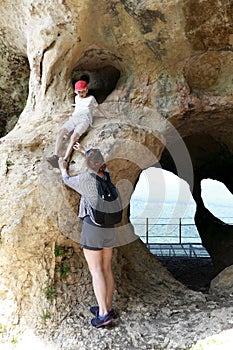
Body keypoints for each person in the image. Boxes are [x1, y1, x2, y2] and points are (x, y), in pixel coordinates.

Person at [58, 144, 116, 328]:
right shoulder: (107, 176)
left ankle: (103, 313)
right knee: (106, 268)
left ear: (88, 164)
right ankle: (107, 306)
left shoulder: (86, 179)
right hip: (110, 228)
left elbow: (66, 180)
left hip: (93, 228)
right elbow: (100, 164)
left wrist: (62, 168)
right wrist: (87, 152)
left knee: (96, 271)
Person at [47, 80, 111, 168]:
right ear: (76, 92)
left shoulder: (91, 98)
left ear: (87, 90)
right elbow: (77, 108)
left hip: (84, 120)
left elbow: (98, 107)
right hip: (74, 118)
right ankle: (56, 156)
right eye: (79, 92)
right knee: (61, 132)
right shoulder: (76, 98)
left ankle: (65, 159)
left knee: (74, 137)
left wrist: (107, 115)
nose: (81, 94)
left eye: (83, 91)